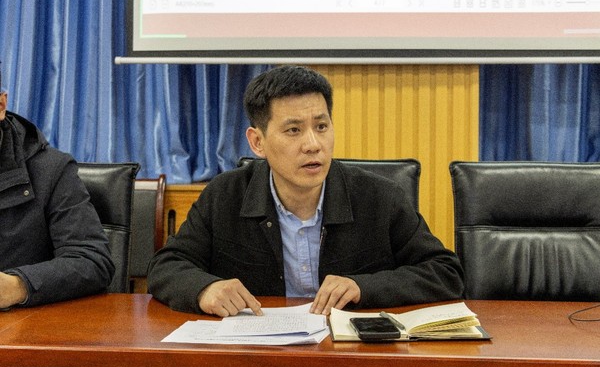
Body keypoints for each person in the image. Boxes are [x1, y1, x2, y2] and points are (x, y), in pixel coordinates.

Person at [148, 65, 464, 317]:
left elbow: (445, 273)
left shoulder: (379, 197)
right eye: (293, 130)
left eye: (321, 127)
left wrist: (363, 287)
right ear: (257, 142)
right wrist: (205, 289)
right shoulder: (225, 195)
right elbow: (166, 266)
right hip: (259, 354)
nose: (313, 144)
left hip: (349, 355)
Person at [0, 68, 115, 309]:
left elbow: (92, 260)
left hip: (25, 324)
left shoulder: (51, 170)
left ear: (1, 105)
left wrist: (18, 286)